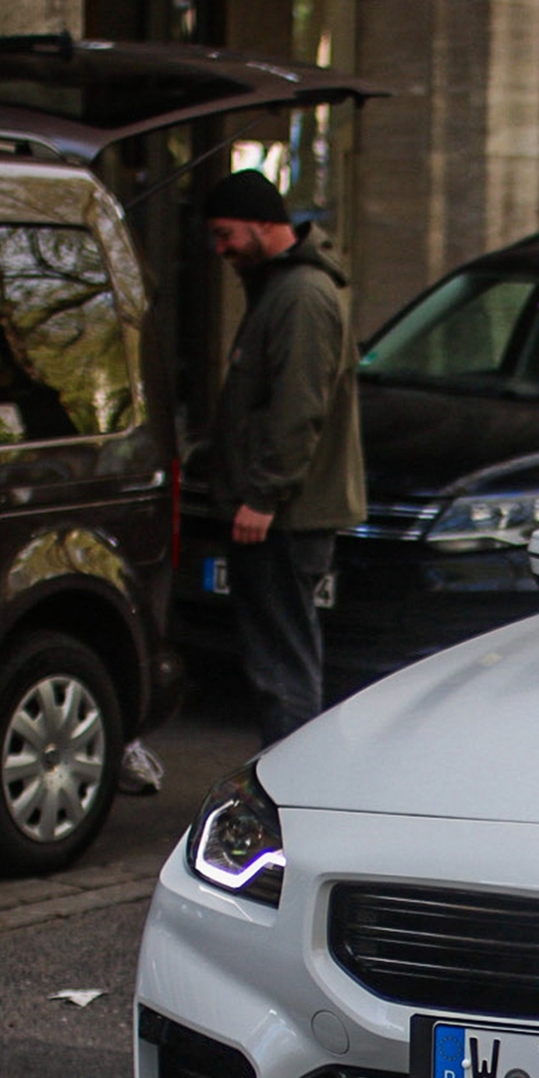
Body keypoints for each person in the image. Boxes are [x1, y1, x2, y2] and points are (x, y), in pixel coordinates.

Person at [204, 168, 369, 745]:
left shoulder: (300, 294)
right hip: (281, 511)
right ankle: (288, 780)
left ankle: (289, 791)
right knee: (279, 658)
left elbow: (299, 407)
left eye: (226, 234)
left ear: (262, 224)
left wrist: (263, 495)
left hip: (285, 515)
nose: (221, 249)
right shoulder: (282, 288)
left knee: (283, 667)